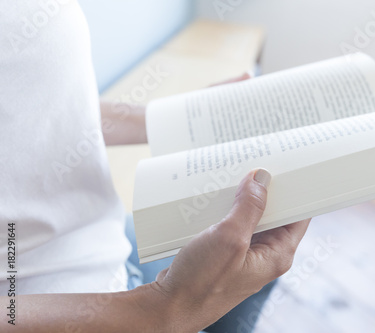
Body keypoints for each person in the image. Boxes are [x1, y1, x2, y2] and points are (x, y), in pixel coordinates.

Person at [0, 1, 310, 332]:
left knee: (261, 241)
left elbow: (40, 107)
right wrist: (158, 312)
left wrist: (178, 120)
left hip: (107, 243)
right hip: (91, 314)